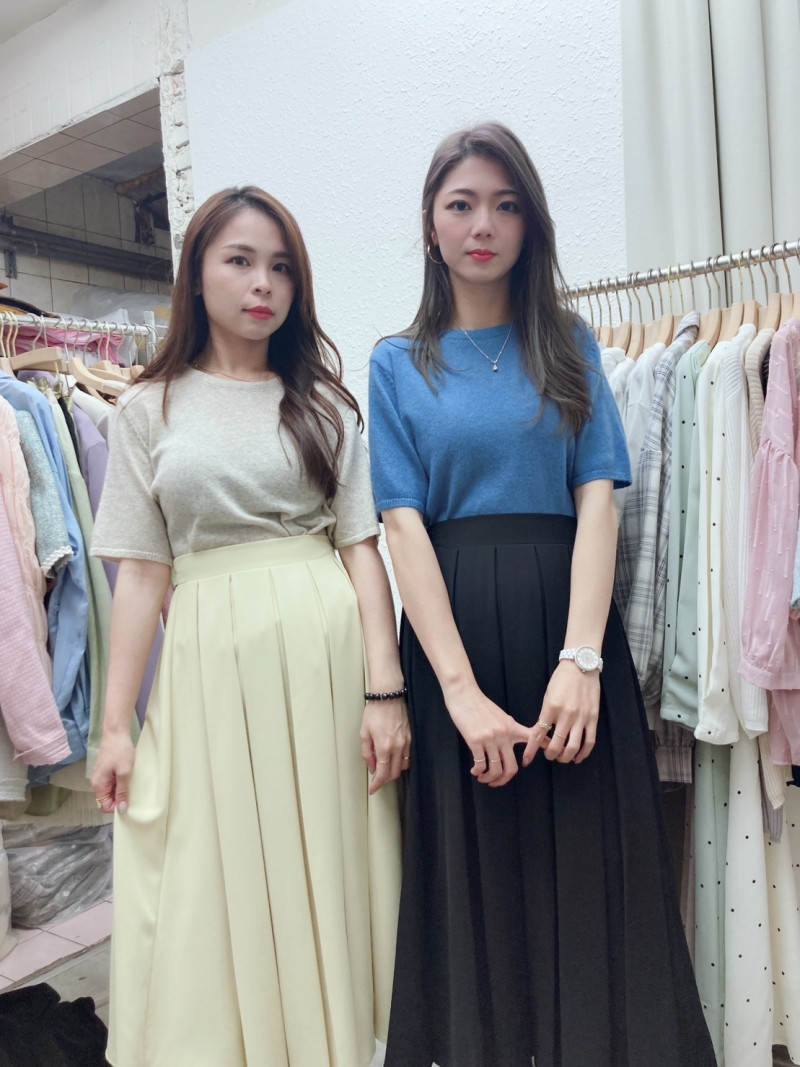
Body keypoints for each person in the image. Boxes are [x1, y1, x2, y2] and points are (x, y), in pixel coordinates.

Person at [368, 124, 716, 1067]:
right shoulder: (397, 361)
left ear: (530, 224)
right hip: (455, 641)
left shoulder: (570, 343)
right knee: (478, 877)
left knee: (593, 869)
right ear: (432, 225)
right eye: (462, 204)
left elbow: (598, 501)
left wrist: (583, 658)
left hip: (570, 631)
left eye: (505, 204)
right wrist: (458, 692)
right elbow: (402, 526)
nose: (483, 224)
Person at [90, 186, 408, 1067]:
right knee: (207, 866)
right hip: (208, 664)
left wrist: (386, 692)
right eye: (240, 260)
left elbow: (362, 552)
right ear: (195, 274)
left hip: (324, 658)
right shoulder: (145, 410)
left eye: (281, 267)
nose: (263, 283)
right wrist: (114, 727)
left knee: (324, 862)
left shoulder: (325, 405)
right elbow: (140, 575)